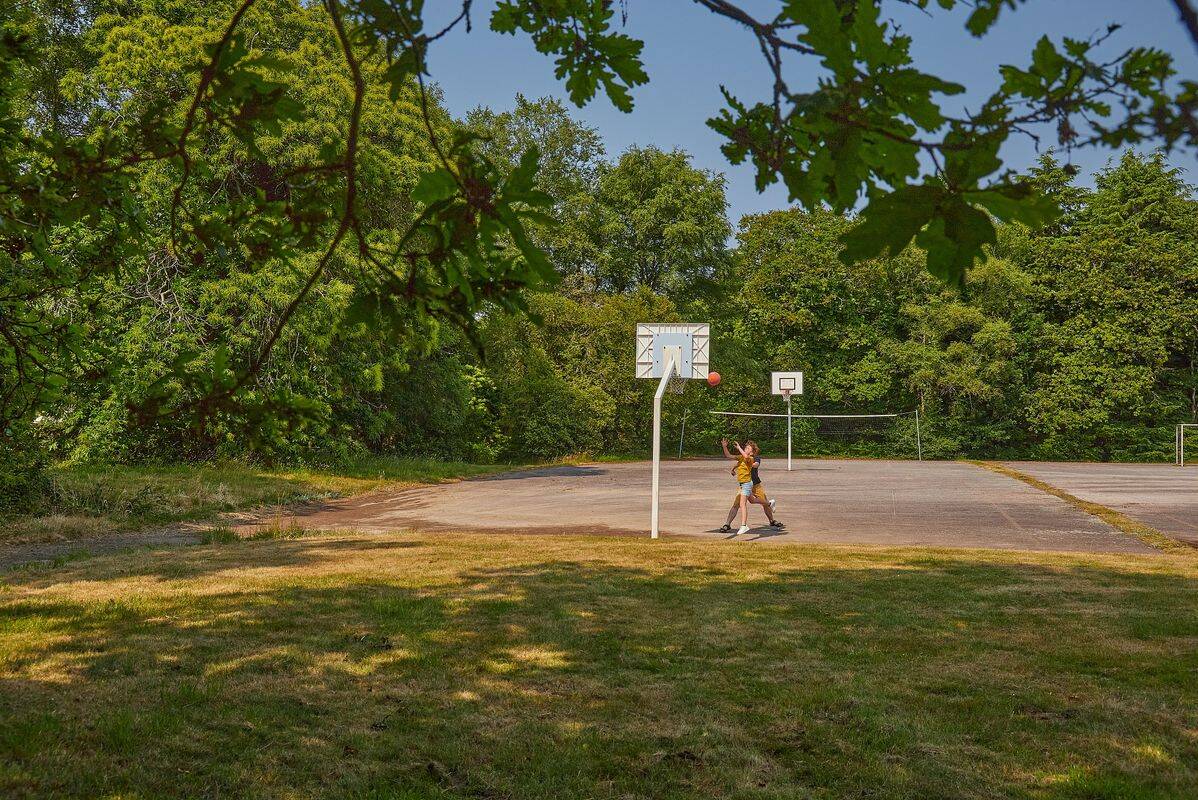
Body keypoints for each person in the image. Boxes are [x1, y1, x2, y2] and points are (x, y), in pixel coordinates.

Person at [719, 439, 784, 534]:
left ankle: (771, 520)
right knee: (737, 504)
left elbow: (755, 464)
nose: (746, 448)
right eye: (745, 447)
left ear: (753, 452)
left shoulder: (755, 458)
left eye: (748, 448)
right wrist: (725, 448)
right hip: (745, 484)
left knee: (762, 502)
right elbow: (736, 460)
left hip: (755, 484)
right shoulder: (742, 457)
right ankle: (727, 524)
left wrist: (751, 463)